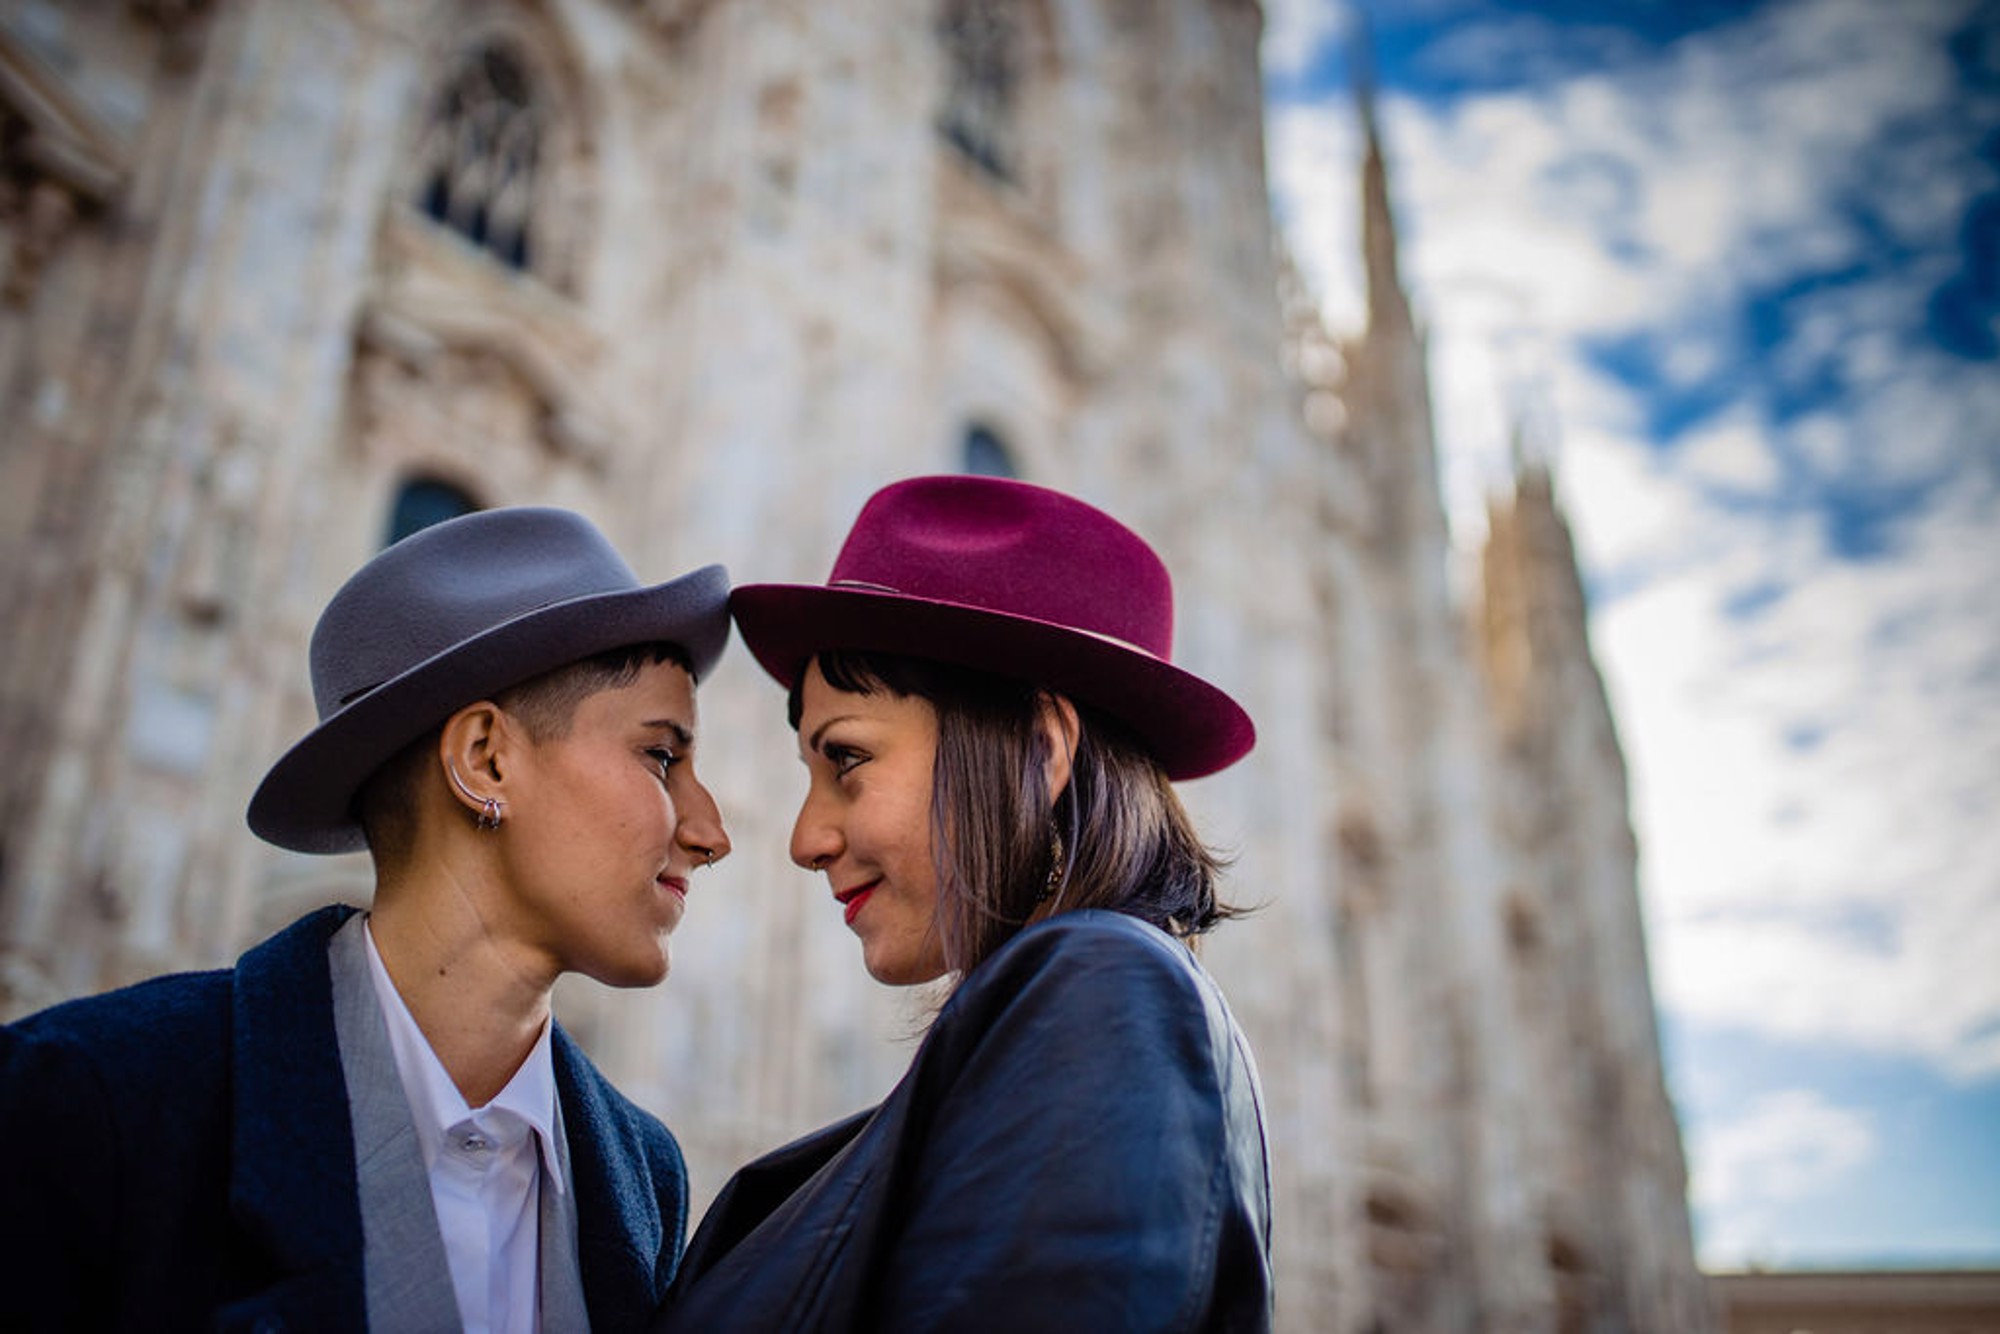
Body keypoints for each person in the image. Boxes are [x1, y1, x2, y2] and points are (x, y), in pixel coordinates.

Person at [0, 506, 733, 1333]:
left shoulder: (646, 1180)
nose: (711, 833)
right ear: (486, 759)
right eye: (661, 757)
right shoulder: (88, 1105)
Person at [657, 475, 1273, 1333]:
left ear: (1036, 746)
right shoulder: (1062, 1022)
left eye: (847, 760)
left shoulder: (1108, 988)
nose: (805, 839)